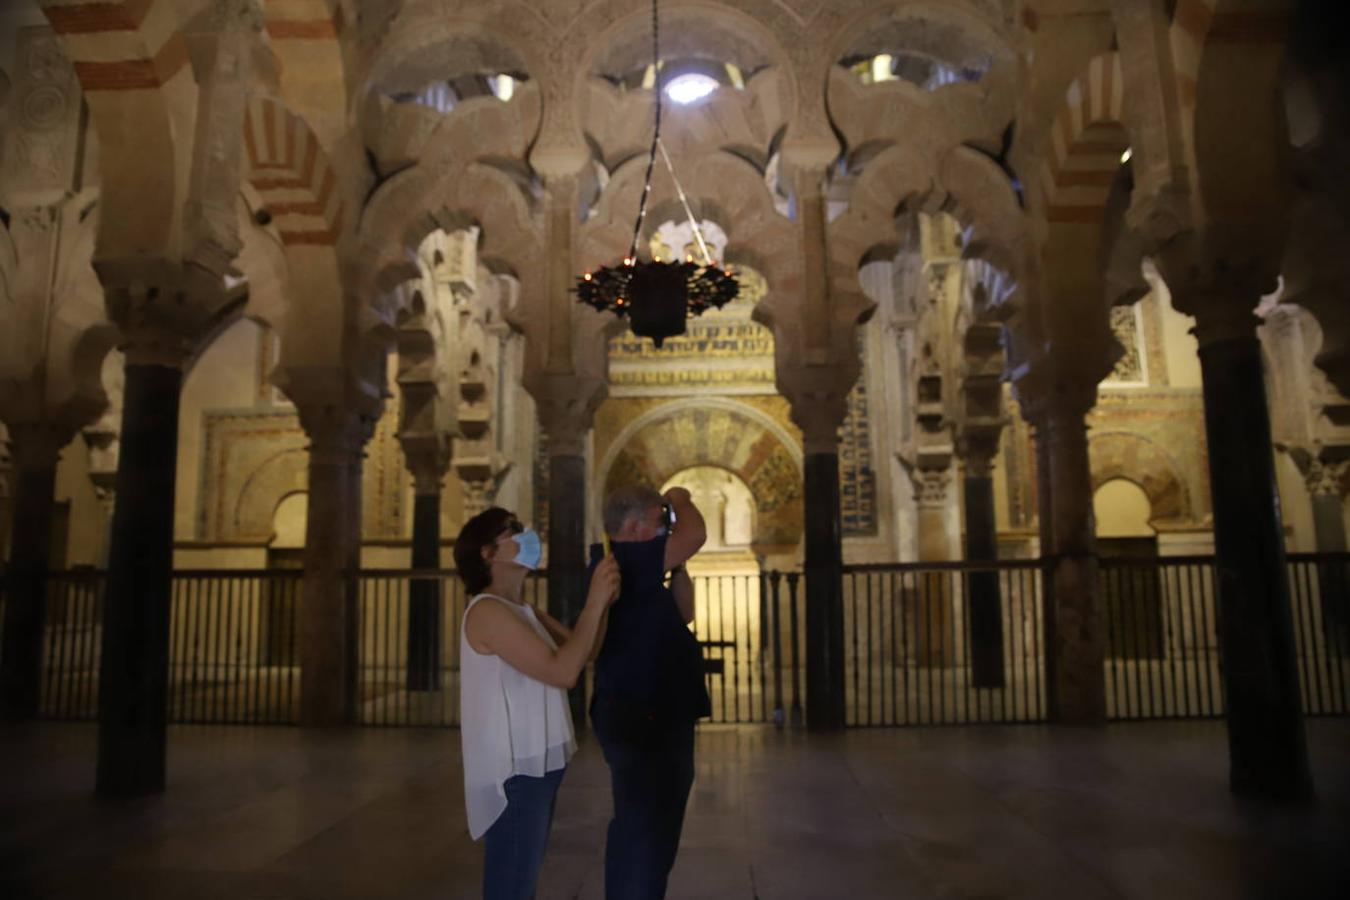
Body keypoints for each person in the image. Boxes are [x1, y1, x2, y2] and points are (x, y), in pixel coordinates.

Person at [454, 507, 620, 900]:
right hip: (514, 770)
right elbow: (563, 672)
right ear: (487, 553)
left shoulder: (524, 611)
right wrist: (593, 603)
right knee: (512, 884)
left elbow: (585, 651)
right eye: (513, 531)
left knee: (521, 879)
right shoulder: (487, 611)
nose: (526, 537)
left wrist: (606, 600)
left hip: (538, 764)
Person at [590, 485, 711, 899]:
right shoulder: (623, 559)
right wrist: (679, 499)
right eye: (660, 524)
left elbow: (686, 611)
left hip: (660, 714)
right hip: (641, 716)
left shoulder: (642, 569)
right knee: (643, 826)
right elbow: (695, 534)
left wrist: (677, 567)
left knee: (655, 828)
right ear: (637, 527)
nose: (667, 532)